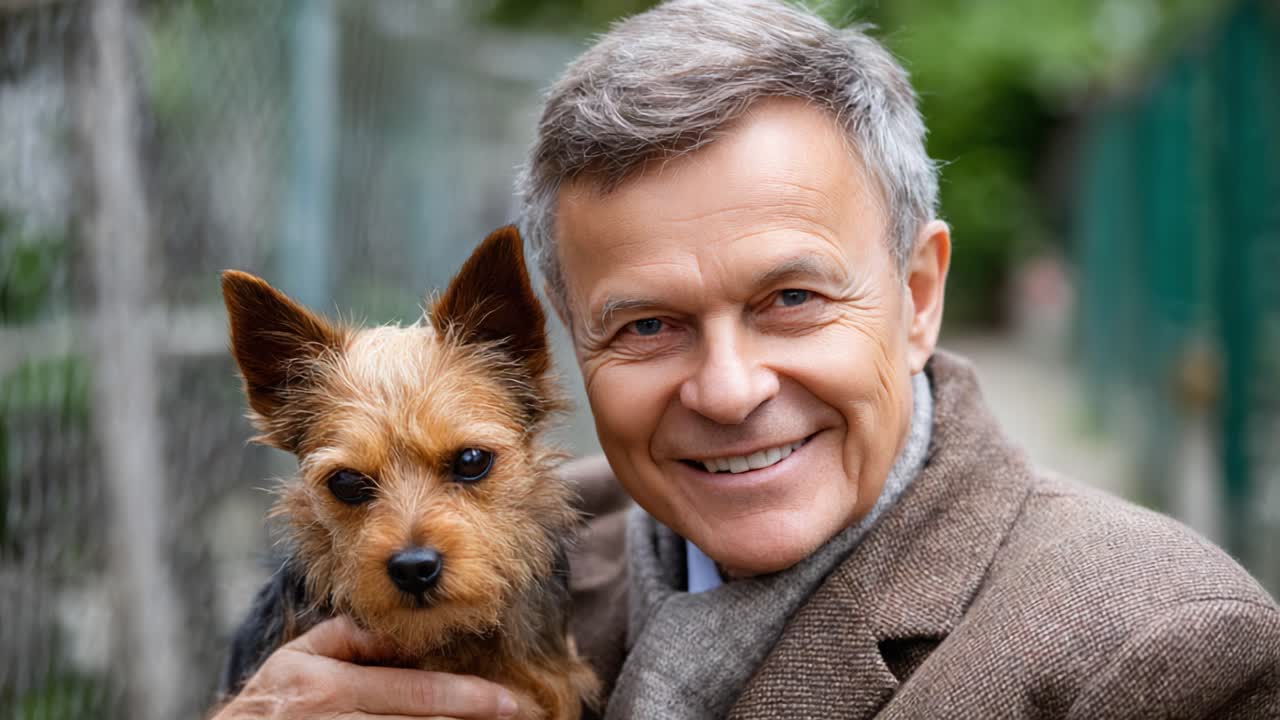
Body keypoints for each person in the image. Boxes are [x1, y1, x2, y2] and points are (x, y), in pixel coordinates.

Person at [211, 1, 1280, 718]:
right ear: (569, 345)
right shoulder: (550, 564)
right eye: (646, 325)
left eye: (791, 300)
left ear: (916, 297)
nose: (727, 391)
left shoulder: (1156, 649)